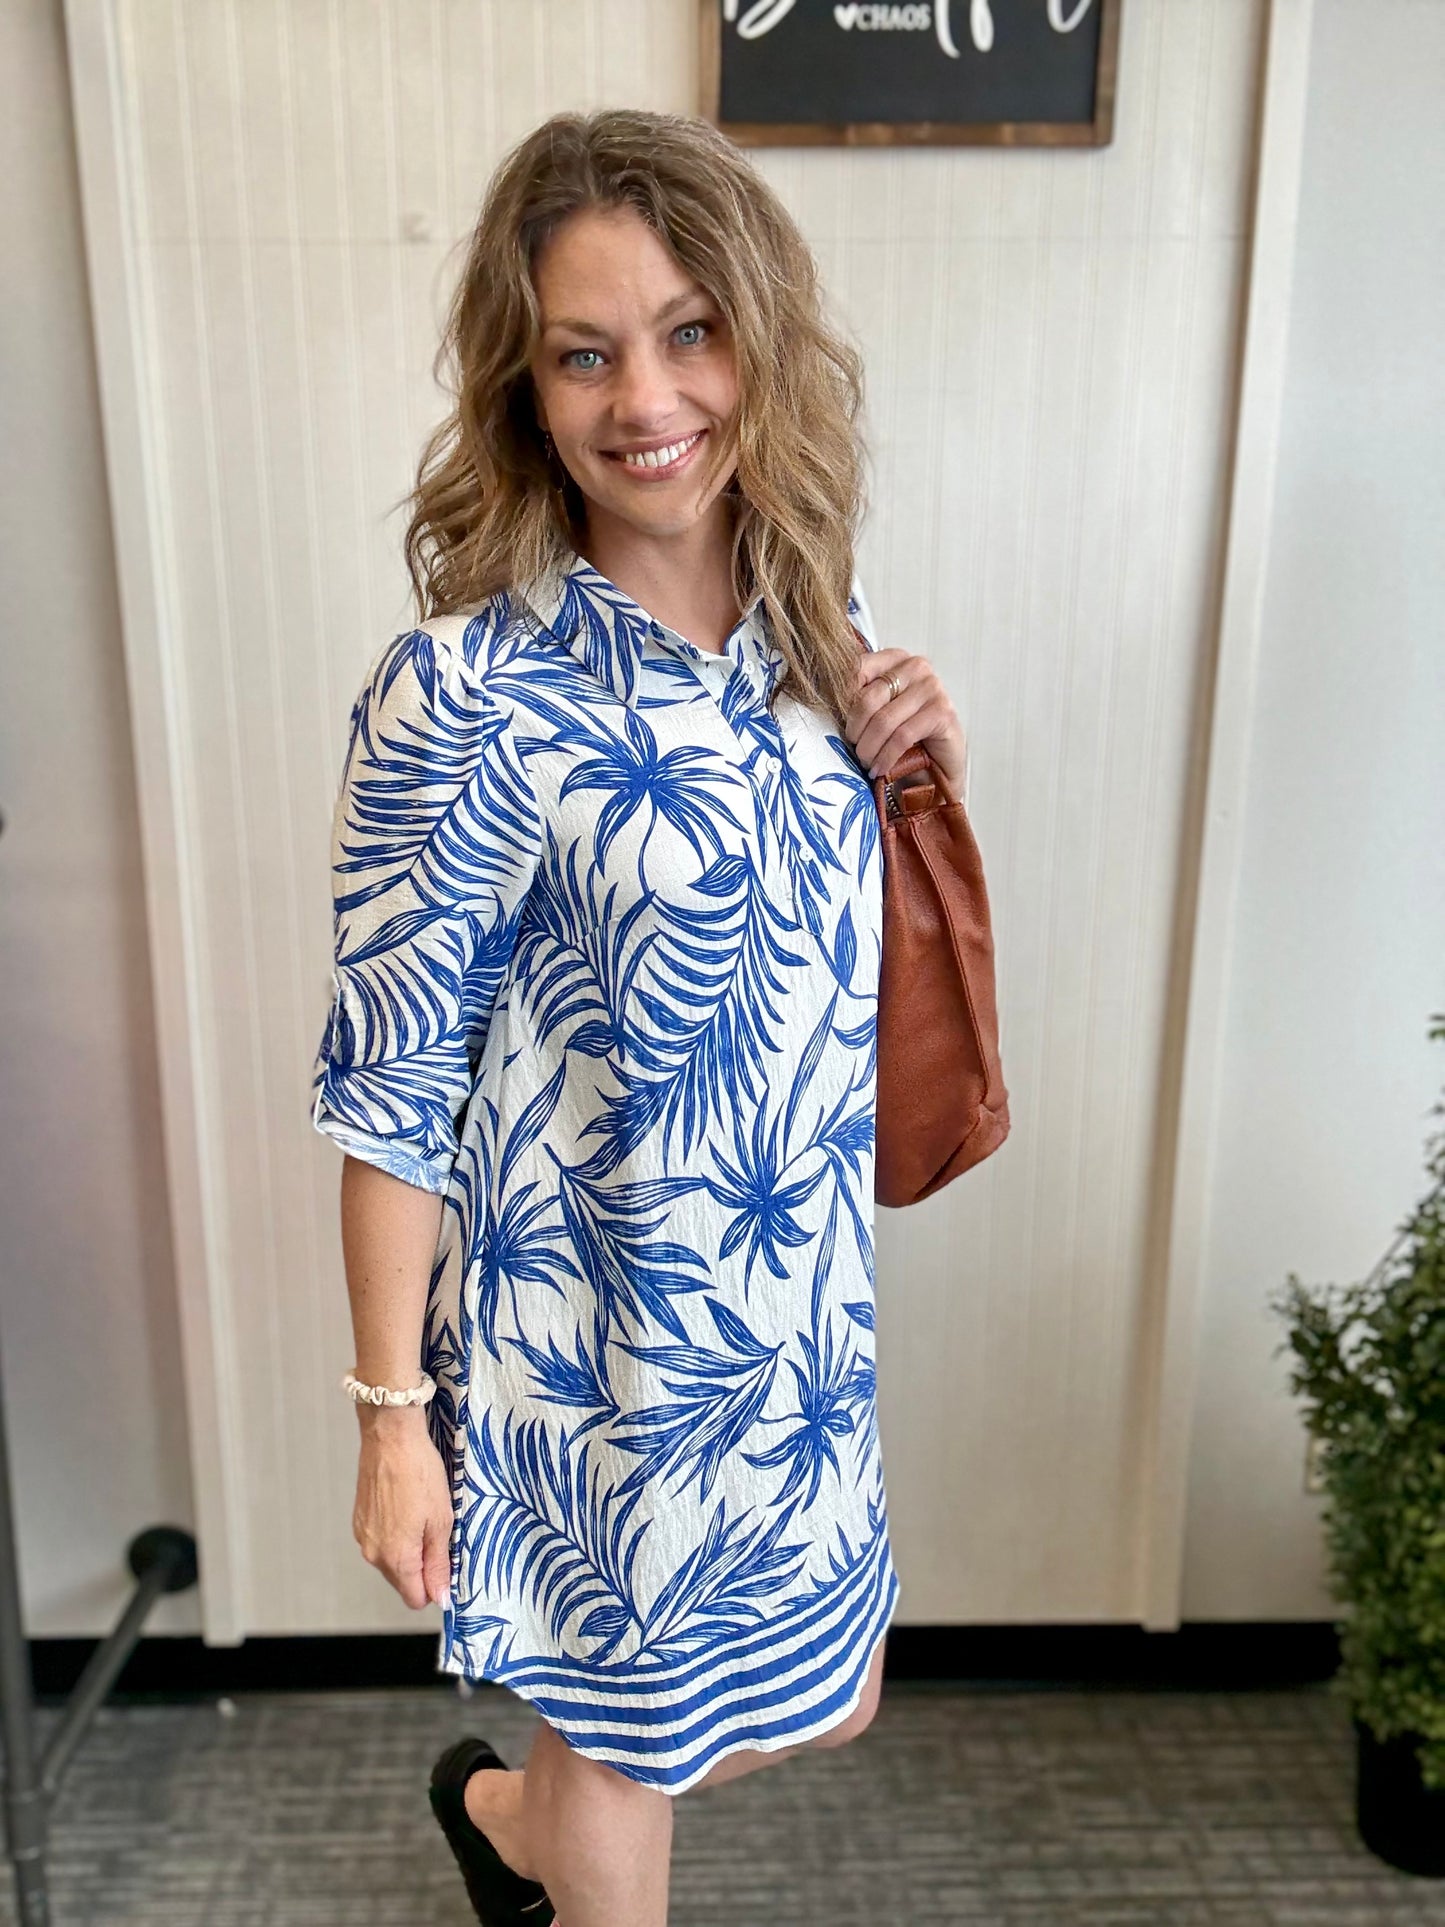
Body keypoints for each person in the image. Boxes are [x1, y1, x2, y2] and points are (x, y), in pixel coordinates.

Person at [310, 106, 967, 1927]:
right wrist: (390, 1418)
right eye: (582, 354)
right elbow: (386, 1090)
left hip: (793, 1323)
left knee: (822, 1697)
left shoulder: (816, 628)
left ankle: (508, 1819)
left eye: (688, 333)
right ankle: (552, 1825)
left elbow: (814, 954)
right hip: (588, 1354)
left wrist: (919, 770)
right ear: (524, 392)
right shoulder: (465, 693)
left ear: (760, 340)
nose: (646, 397)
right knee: (624, 1751)